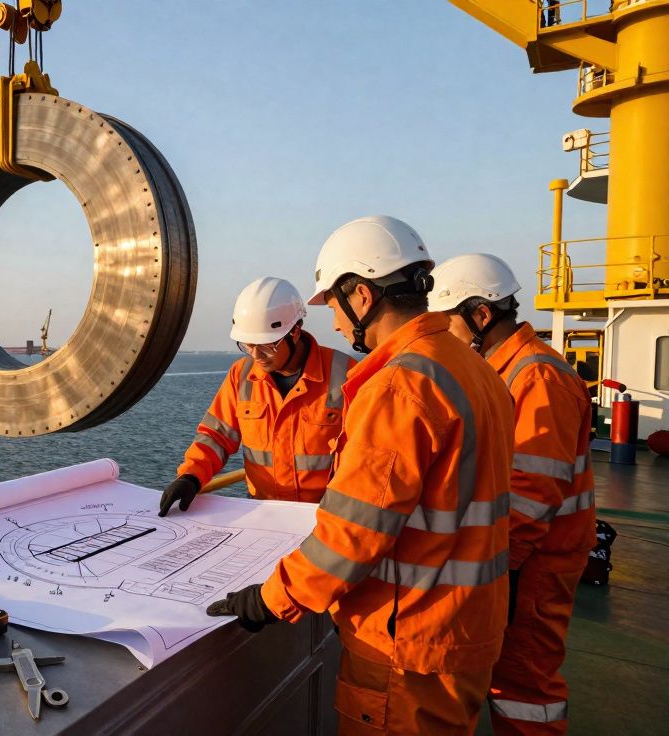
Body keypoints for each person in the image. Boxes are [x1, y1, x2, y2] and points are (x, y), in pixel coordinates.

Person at [207, 216, 515, 734]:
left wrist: (269, 600)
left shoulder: (400, 386)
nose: (333, 324)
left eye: (333, 305)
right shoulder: (473, 367)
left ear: (363, 297)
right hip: (466, 626)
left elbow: (352, 536)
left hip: (407, 641)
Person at [428, 253, 596, 735]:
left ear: (481, 315)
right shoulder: (506, 369)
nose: (444, 335)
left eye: (448, 322)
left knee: (523, 684)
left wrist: (502, 568)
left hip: (536, 558)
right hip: (519, 552)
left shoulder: (538, 377)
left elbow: (531, 491)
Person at [159, 277, 354, 515]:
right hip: (264, 513)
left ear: (295, 331)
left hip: (325, 516)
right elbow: (217, 436)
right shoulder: (241, 375)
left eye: (265, 345)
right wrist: (191, 476)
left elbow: (365, 455)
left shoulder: (346, 374)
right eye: (248, 345)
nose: (256, 355)